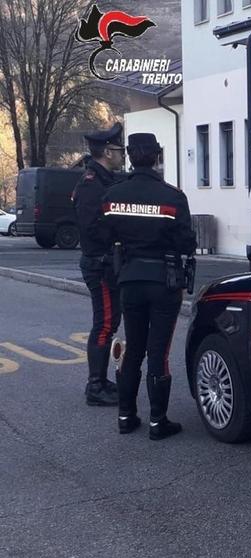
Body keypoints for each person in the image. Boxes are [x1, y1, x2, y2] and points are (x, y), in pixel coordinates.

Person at [92, 133, 197, 440]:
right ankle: (157, 421)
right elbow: (186, 242)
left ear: (128, 156)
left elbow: (101, 234)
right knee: (158, 351)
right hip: (164, 281)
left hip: (129, 278)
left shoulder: (112, 195)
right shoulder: (173, 196)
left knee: (133, 348)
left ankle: (125, 416)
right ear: (156, 157)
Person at [73, 122, 126, 407]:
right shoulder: (92, 184)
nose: (122, 155)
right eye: (119, 150)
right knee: (104, 324)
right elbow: (93, 227)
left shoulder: (105, 181)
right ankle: (95, 386)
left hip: (106, 263)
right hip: (100, 264)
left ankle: (101, 380)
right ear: (107, 151)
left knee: (108, 322)